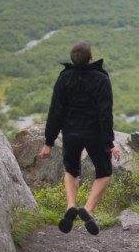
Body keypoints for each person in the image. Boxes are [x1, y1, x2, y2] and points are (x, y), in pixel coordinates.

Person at [39, 41, 120, 235]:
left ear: (72, 58)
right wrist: (110, 143)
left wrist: (48, 142)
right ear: (90, 57)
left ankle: (70, 206)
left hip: (71, 133)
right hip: (95, 133)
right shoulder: (101, 79)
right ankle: (88, 209)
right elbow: (104, 113)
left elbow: (56, 111)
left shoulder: (64, 78)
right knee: (104, 173)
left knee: (72, 170)